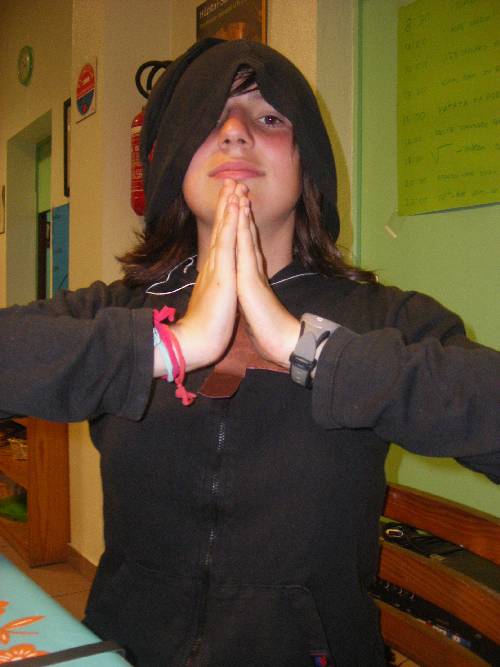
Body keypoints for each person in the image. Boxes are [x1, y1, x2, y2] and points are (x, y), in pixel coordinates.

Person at [1, 39, 499, 666]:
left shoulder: (385, 320)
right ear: (172, 161)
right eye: (209, 116)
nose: (235, 132)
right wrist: (171, 344)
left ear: (308, 161)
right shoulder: (119, 309)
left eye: (268, 117)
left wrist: (308, 348)